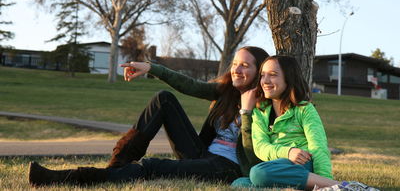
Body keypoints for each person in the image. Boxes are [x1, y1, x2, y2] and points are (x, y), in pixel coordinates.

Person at [29, 46, 269, 186]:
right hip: (201, 153)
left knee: (152, 166)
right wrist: (152, 68)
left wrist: (246, 112)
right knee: (163, 98)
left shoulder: (266, 105)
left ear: (260, 71)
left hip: (226, 169)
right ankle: (117, 166)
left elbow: (251, 157)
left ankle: (63, 178)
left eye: (246, 66)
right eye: (235, 63)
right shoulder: (226, 91)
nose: (237, 69)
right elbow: (189, 85)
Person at [231, 55, 379, 191]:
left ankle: (340, 187)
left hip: (303, 165)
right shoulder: (260, 112)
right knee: (239, 184)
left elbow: (318, 147)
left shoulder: (304, 109)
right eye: (263, 75)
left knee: (258, 173)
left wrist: (325, 180)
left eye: (273, 75)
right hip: (276, 167)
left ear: (289, 78)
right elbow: (260, 147)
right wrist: (287, 152)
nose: (265, 81)